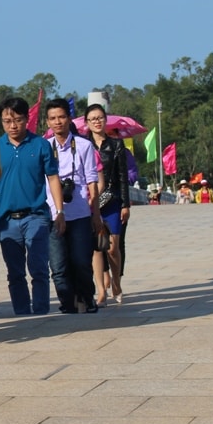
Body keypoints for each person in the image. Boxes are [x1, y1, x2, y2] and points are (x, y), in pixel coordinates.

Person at [0, 97, 65, 316]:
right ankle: (22, 312)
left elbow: (53, 178)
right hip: (6, 219)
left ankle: (42, 310)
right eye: (7, 121)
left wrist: (59, 211)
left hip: (36, 215)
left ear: (27, 119)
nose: (12, 125)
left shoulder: (41, 145)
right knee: (15, 272)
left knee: (38, 267)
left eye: (17, 120)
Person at [45, 98, 101, 314]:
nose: (57, 122)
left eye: (61, 117)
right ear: (47, 122)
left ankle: (87, 297)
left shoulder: (85, 146)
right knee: (58, 266)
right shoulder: (45, 147)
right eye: (52, 118)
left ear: (69, 118)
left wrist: (95, 214)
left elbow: (92, 181)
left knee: (80, 261)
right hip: (52, 213)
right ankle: (66, 303)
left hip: (79, 212)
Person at [85, 104, 129, 306]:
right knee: (97, 247)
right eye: (92, 118)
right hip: (92, 201)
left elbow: (122, 176)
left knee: (112, 247)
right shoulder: (83, 145)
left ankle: (117, 282)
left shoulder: (117, 145)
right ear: (87, 123)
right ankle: (101, 291)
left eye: (100, 117)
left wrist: (125, 204)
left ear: (105, 120)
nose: (96, 121)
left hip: (112, 200)